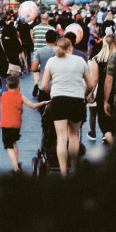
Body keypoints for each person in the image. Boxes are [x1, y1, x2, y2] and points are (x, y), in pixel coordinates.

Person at [39, 37, 96, 176]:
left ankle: (63, 174)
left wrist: (52, 93)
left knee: (61, 138)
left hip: (58, 101)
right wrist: (85, 94)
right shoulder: (80, 61)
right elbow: (90, 84)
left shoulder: (52, 61)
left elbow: (44, 85)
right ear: (71, 47)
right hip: (76, 100)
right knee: (74, 136)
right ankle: (74, 169)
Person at [0, 74, 47, 172]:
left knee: (8, 147)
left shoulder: (4, 95)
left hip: (6, 124)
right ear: (19, 85)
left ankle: (16, 169)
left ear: (7, 86)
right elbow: (33, 106)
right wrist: (44, 102)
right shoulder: (20, 96)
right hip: (16, 125)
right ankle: (16, 162)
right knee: (13, 143)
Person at [87, 33, 116, 143]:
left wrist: (90, 93)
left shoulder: (97, 59)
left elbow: (95, 79)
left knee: (104, 122)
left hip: (102, 93)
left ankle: (112, 145)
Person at [32, 29, 59, 100]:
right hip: (57, 87)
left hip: (43, 85)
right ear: (56, 39)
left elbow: (33, 68)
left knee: (43, 109)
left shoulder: (39, 51)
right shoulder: (60, 51)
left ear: (45, 39)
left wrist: (42, 68)